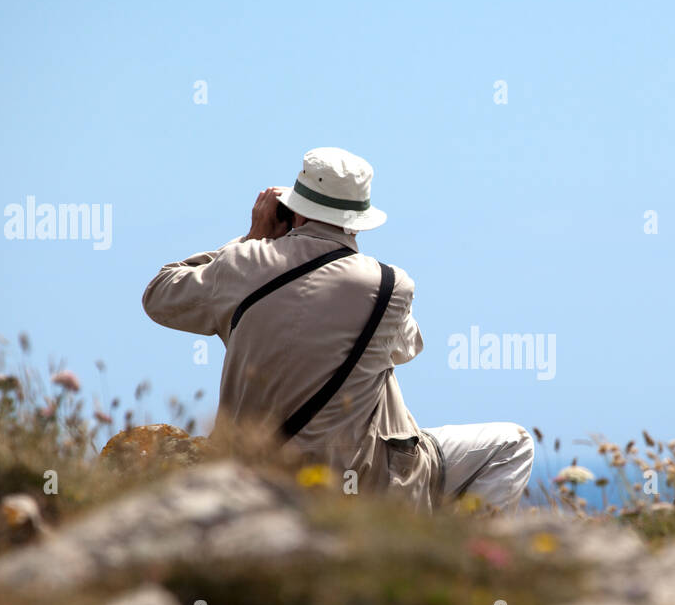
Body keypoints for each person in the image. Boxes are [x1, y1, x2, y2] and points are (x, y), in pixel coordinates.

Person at [141, 147, 533, 511]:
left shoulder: (240, 264)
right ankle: (468, 560)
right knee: (514, 443)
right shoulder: (389, 285)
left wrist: (253, 237)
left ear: (291, 208)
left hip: (251, 478)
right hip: (367, 481)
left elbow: (158, 296)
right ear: (358, 221)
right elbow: (407, 348)